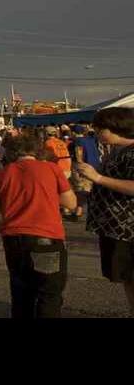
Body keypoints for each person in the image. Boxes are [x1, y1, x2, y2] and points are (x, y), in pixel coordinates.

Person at [0, 134, 76, 318]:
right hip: (47, 237)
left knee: (21, 292)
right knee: (49, 292)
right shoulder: (51, 168)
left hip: (13, 237)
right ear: (38, 150)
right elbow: (71, 203)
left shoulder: (2, 173)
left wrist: (0, 225)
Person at [75, 107, 134, 315]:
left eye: (100, 128)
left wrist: (98, 178)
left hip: (128, 229)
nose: (96, 132)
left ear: (117, 127)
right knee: (127, 277)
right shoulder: (115, 151)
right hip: (115, 228)